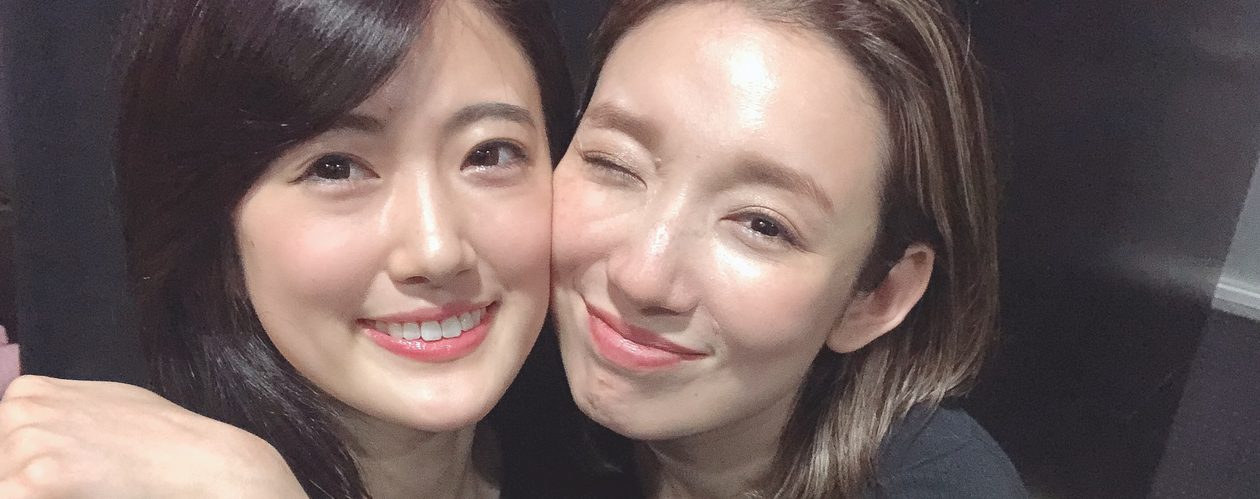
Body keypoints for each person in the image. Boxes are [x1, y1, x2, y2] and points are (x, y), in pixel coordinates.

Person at [0, 0, 574, 497]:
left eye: (490, 154)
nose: (437, 250)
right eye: (336, 167)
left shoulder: (597, 464)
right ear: (217, 228)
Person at [548, 0, 1028, 497]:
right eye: (614, 163)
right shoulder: (518, 406)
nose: (641, 277)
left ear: (877, 295)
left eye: (763, 225)